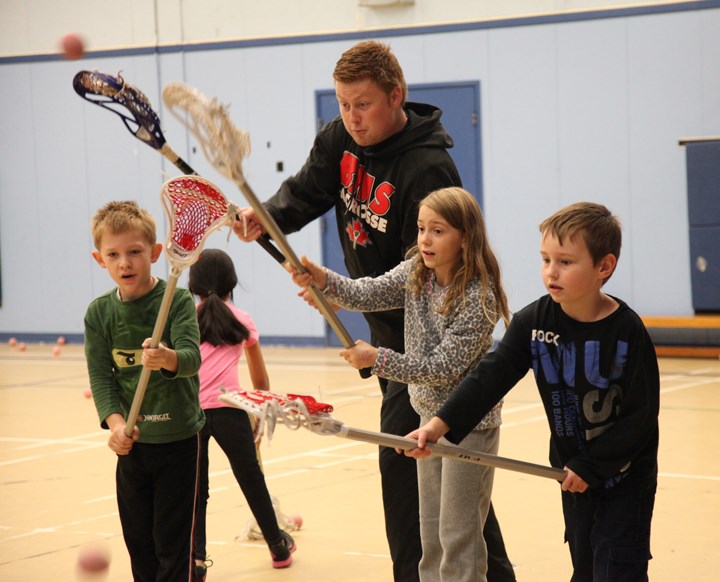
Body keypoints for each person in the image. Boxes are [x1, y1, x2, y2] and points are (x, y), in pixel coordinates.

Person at [233, 39, 515, 582]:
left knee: (418, 466)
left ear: (396, 96)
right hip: (386, 335)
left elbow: (420, 275)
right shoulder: (341, 138)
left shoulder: (429, 168)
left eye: (362, 104)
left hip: (424, 343)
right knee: (449, 475)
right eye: (343, 103)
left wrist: (382, 355)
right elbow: (307, 190)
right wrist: (264, 218)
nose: (351, 117)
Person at [405, 202, 660, 582]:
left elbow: (640, 419)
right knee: (587, 566)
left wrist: (593, 466)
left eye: (566, 262)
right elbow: (489, 378)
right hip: (571, 473)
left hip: (625, 477)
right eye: (545, 260)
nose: (551, 272)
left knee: (617, 568)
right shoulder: (534, 322)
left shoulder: (627, 332)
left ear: (603, 267)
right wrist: (438, 426)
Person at [291, 187, 510, 581]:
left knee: (459, 537)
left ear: (466, 237)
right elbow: (367, 291)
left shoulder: (479, 297)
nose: (425, 239)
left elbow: (441, 367)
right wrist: (324, 280)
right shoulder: (416, 273)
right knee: (431, 537)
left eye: (438, 231)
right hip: (427, 419)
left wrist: (378, 360)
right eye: (422, 228)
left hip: (468, 428)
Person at [83, 201, 205, 581]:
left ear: (154, 253)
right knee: (140, 547)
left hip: (178, 441)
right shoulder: (99, 314)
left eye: (135, 252)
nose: (125, 263)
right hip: (133, 446)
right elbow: (102, 379)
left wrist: (167, 357)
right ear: (99, 259)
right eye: (114, 255)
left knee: (173, 547)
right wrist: (117, 425)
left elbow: (191, 358)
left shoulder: (178, 300)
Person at [187, 248, 296, 579]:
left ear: (193, 284)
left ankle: (196, 564)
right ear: (232, 283)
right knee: (253, 481)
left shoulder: (185, 319)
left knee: (195, 493)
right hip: (232, 412)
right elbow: (260, 380)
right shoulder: (242, 319)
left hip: (192, 416)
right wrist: (259, 414)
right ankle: (278, 547)